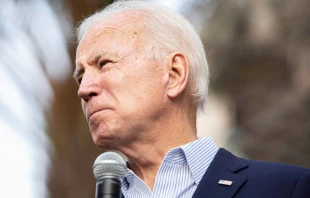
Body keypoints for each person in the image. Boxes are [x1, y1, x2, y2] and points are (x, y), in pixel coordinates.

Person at [73, 1, 310, 197]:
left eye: (104, 64)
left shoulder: (287, 189)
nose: (83, 90)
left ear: (174, 74)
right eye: (80, 77)